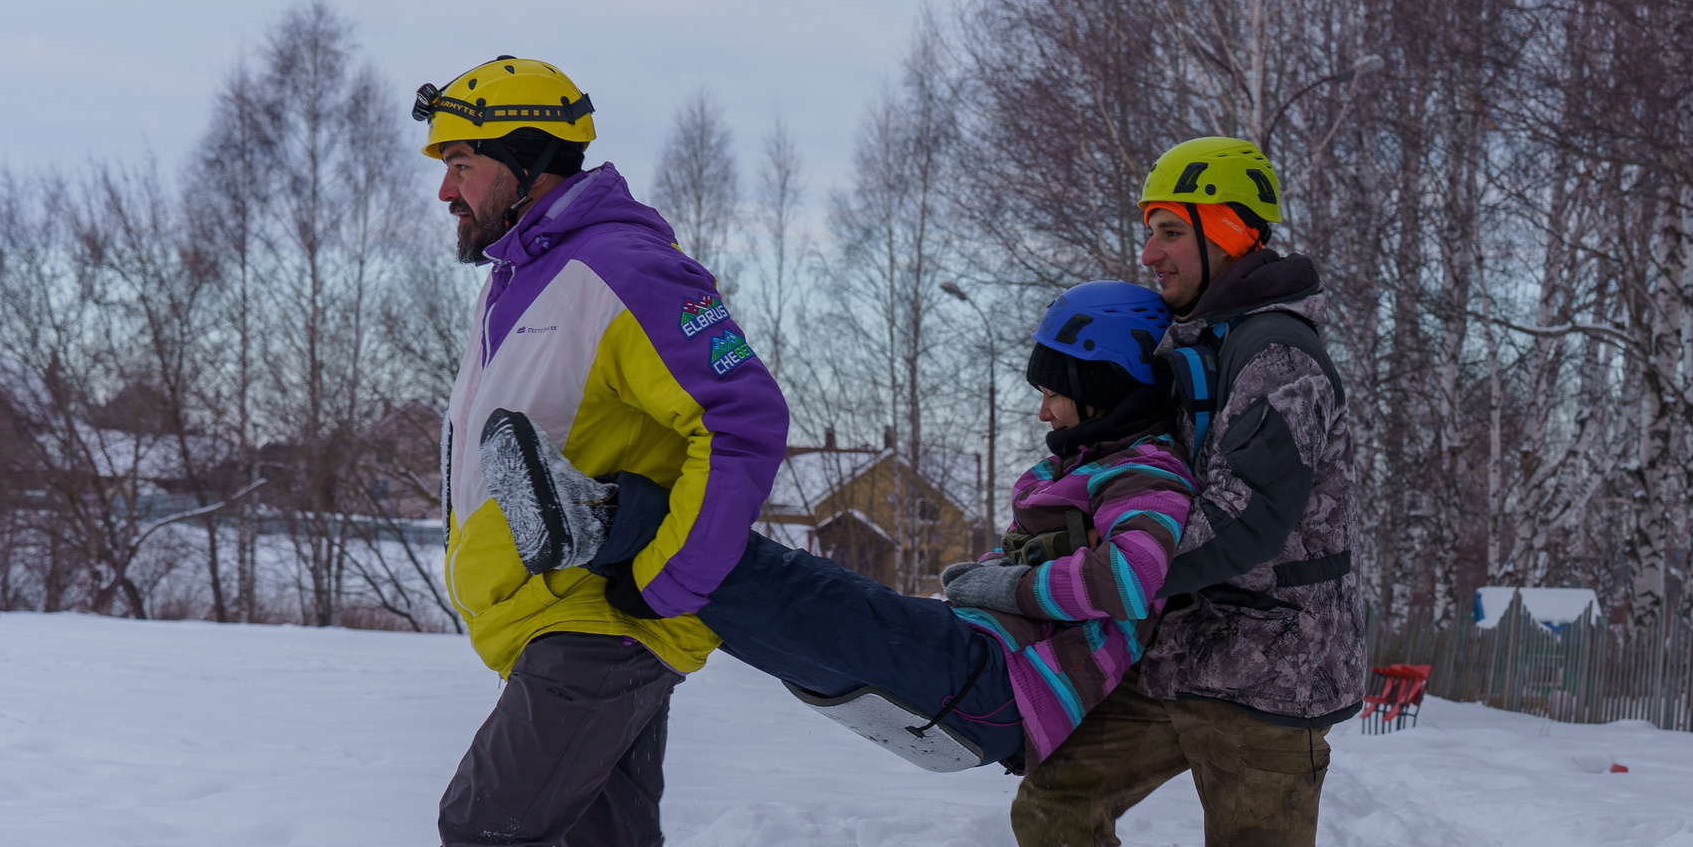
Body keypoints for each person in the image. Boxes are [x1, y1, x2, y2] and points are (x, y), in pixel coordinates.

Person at [420, 56, 857, 847]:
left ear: (526, 163)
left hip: (599, 626)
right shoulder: (526, 276)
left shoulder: (621, 269)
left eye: (461, 164)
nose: (445, 192)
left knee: (491, 834)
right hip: (557, 627)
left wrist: (673, 575)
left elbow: (744, 415)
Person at [969, 138, 1375, 847]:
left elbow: (1242, 518)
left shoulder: (1279, 356)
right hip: (1183, 653)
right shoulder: (1197, 343)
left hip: (1272, 667)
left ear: (1227, 228)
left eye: (1166, 229)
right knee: (1058, 798)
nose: (1147, 251)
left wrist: (1078, 578)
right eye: (1144, 229)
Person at [480, 281, 1198, 784]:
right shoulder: (1077, 469)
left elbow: (1133, 577)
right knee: (759, 623)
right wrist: (983, 575)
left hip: (1000, 685)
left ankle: (602, 515)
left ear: (1106, 387)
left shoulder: (1145, 475)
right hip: (982, 676)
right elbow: (1041, 568)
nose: (1043, 411)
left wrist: (999, 583)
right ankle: (602, 546)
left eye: (1054, 390)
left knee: (794, 588)